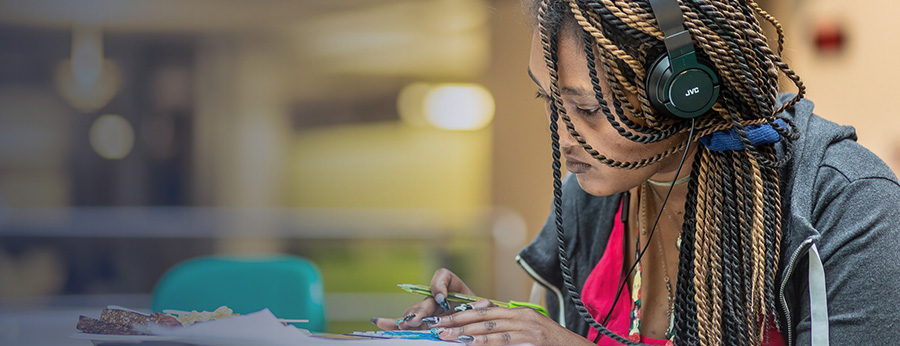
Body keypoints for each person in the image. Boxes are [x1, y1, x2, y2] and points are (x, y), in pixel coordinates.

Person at [372, 1, 900, 345]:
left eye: (587, 109)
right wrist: (483, 329)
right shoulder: (594, 199)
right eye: (549, 101)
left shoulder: (850, 207)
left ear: (687, 93)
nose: (560, 135)